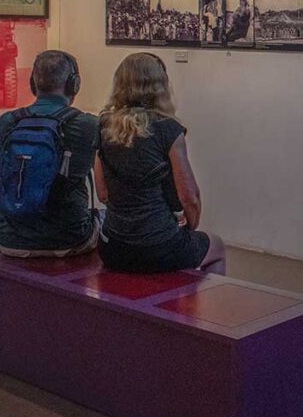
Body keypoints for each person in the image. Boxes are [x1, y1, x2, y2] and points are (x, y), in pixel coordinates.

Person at [94, 52, 226, 274]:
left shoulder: (103, 126)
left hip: (112, 246)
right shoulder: (168, 129)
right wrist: (189, 228)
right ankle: (190, 308)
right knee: (217, 247)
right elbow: (189, 197)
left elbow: (102, 193)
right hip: (158, 245)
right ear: (160, 85)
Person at [0, 50, 99, 257]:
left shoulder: (7, 122)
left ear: (33, 83)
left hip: (9, 239)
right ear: (74, 84)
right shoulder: (87, 125)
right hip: (69, 239)